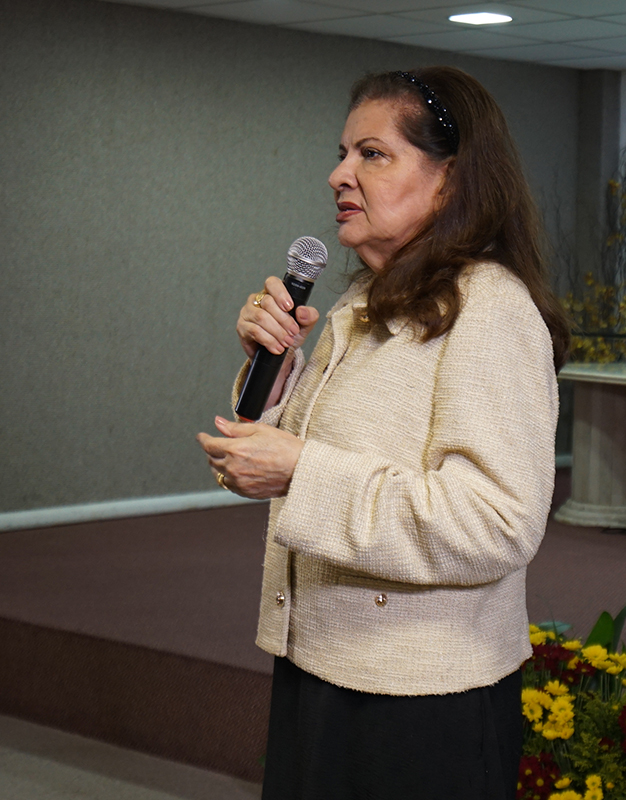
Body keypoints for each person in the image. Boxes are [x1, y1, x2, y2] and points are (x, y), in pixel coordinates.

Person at [197, 66, 570, 800]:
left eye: (372, 154)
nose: (340, 175)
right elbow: (305, 451)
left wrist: (301, 471)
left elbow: (497, 522)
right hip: (322, 664)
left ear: (450, 180)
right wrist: (274, 371)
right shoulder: (365, 301)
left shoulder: (491, 310)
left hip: (420, 698)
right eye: (342, 154)